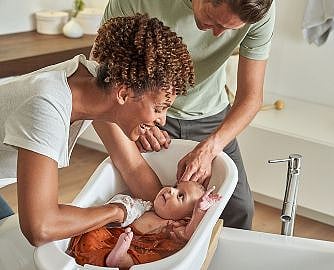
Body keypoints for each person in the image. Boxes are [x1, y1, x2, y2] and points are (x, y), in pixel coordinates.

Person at [0, 14, 195, 246]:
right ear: (123, 94)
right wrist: (119, 211)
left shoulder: (97, 84)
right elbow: (40, 227)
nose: (162, 120)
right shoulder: (47, 106)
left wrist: (174, 218)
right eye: (158, 108)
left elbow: (133, 168)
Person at [97, 0, 276, 230]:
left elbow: (251, 98)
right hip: (144, 108)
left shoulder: (259, 9)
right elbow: (101, 79)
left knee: (239, 211)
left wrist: (211, 147)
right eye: (214, 20)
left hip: (212, 118)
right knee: (135, 204)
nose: (219, 34)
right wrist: (139, 116)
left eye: (230, 29)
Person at [67, 181, 221, 269]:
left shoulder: (175, 225)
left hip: (146, 247)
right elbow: (125, 211)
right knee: (94, 233)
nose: (171, 191)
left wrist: (199, 211)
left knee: (150, 259)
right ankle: (111, 255)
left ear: (187, 216)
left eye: (180, 196)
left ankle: (120, 259)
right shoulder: (146, 206)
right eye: (175, 186)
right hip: (118, 235)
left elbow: (190, 235)